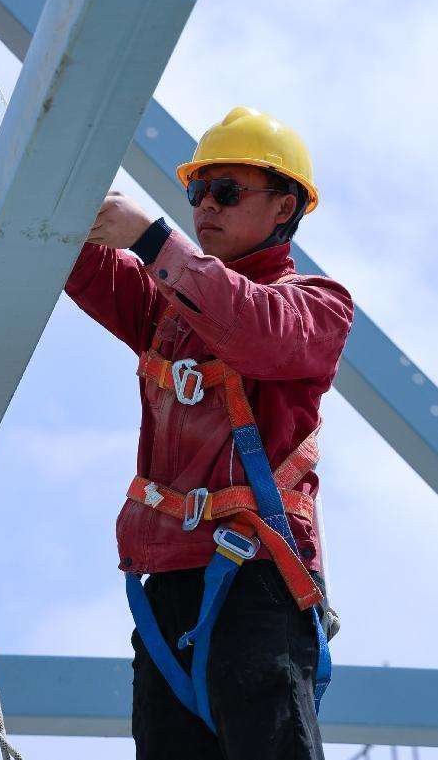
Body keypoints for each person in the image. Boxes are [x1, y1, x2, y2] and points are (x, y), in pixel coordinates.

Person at [65, 106, 353, 760]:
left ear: (284, 208)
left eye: (225, 191)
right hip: (167, 593)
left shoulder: (316, 305)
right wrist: (62, 197)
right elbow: (83, 267)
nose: (204, 206)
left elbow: (253, 327)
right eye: (198, 191)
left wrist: (152, 242)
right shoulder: (167, 303)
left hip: (253, 581)